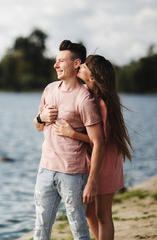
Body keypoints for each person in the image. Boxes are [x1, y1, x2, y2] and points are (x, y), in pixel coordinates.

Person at [53, 54, 133, 240]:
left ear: (93, 77)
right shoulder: (88, 96)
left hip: (104, 164)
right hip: (92, 161)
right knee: (89, 212)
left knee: (103, 216)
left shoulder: (102, 104)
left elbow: (100, 141)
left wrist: (71, 133)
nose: (79, 67)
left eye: (84, 67)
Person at [32, 40, 105, 240]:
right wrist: (41, 118)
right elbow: (38, 126)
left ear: (76, 63)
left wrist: (91, 183)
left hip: (73, 174)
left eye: (61, 61)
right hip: (45, 170)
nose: (55, 65)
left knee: (79, 231)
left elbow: (98, 142)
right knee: (40, 229)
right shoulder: (49, 89)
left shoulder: (84, 99)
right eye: (56, 60)